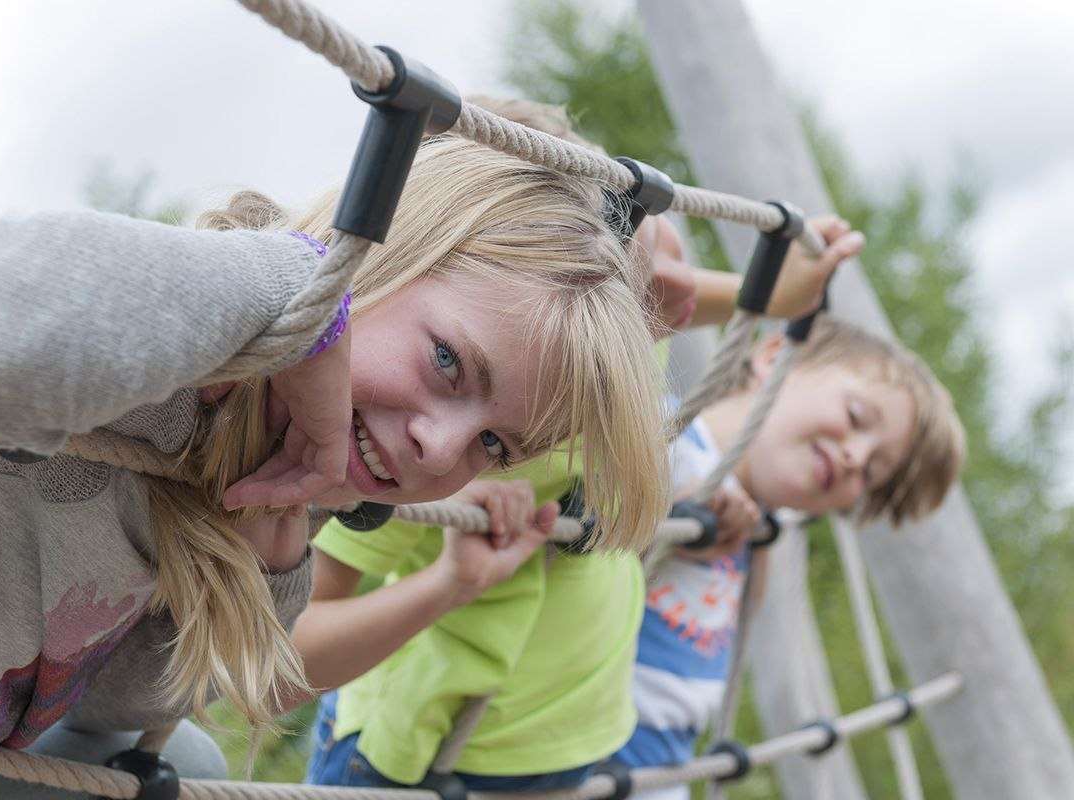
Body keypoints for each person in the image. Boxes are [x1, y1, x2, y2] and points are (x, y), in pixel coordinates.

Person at [0, 136, 676, 797]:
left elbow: (111, 698)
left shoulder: (297, 461)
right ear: (374, 260)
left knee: (177, 766)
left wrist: (270, 563)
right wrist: (305, 305)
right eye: (447, 362)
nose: (444, 447)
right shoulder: (168, 356)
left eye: (495, 445)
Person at [300, 98, 867, 792]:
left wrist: (769, 295)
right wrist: (448, 582)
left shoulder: (602, 362)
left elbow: (667, 289)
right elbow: (293, 648)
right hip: (432, 759)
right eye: (447, 360)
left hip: (571, 748)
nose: (445, 450)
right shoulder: (390, 447)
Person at [613, 314, 966, 800]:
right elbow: (575, 540)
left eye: (871, 475)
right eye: (856, 418)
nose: (855, 458)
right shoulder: (659, 436)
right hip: (576, 750)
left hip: (661, 775)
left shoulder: (755, 544)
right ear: (775, 358)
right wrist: (676, 518)